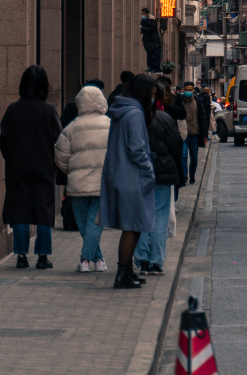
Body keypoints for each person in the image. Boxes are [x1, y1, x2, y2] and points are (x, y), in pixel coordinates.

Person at [0, 65, 61, 269]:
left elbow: (3, 139)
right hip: (44, 167)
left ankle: (21, 256)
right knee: (44, 211)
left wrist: (11, 157)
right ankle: (43, 256)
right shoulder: (49, 110)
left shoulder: (13, 109)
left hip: (18, 166)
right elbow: (58, 140)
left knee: (20, 211)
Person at [100, 73, 156, 289]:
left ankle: (127, 271)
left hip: (121, 173)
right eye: (151, 93)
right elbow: (137, 148)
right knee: (133, 226)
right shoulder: (134, 114)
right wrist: (149, 170)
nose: (153, 98)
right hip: (132, 177)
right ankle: (123, 273)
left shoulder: (123, 110)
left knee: (133, 225)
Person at [54, 85, 111, 272]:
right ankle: (98, 260)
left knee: (82, 223)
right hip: (102, 183)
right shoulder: (110, 125)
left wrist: (72, 171)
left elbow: (60, 156)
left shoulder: (72, 127)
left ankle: (86, 260)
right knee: (95, 223)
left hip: (77, 184)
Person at [135, 83, 184, 275]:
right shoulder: (164, 118)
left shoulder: (134, 119)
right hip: (162, 174)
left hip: (139, 174)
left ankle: (142, 260)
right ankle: (156, 262)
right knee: (160, 217)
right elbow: (176, 144)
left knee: (141, 217)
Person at [177, 81, 200, 184]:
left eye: (190, 90)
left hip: (194, 133)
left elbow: (202, 117)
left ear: (193, 90)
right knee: (183, 156)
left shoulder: (197, 101)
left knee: (194, 157)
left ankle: (192, 175)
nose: (188, 92)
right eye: (186, 90)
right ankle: (184, 175)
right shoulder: (179, 101)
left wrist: (203, 134)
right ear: (183, 90)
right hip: (183, 134)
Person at [140, 7, 162, 74]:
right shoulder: (143, 20)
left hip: (154, 43)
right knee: (149, 56)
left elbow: (150, 29)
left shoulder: (152, 20)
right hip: (148, 43)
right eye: (141, 14)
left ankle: (156, 68)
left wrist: (142, 28)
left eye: (143, 14)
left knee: (155, 56)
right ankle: (151, 67)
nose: (142, 15)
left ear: (147, 14)